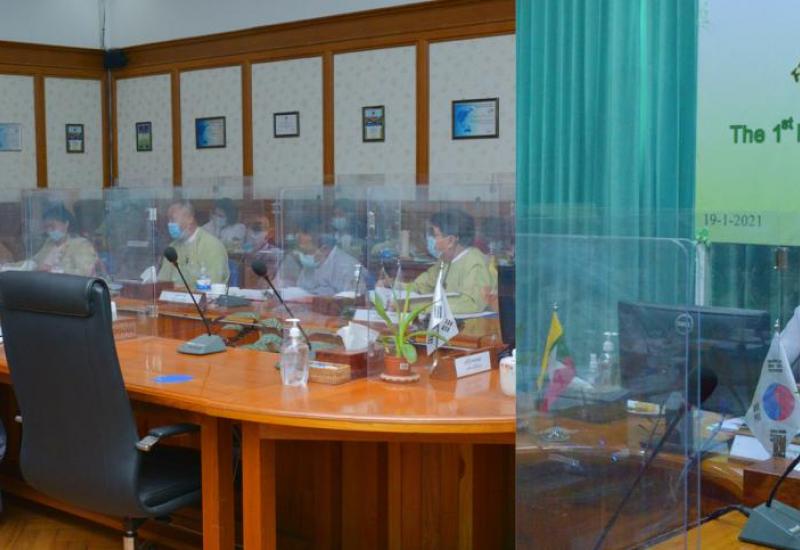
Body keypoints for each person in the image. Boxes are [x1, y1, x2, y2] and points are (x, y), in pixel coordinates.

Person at [411, 209, 494, 315]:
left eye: (435, 235)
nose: (431, 240)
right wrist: (395, 290)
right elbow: (423, 285)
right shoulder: (445, 260)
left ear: (451, 240)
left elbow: (470, 304)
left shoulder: (475, 263)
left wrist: (416, 307)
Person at [158, 200, 230, 287]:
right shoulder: (172, 247)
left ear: (190, 219)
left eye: (173, 220)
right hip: (172, 295)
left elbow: (212, 285)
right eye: (168, 220)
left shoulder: (212, 246)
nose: (169, 224)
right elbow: (162, 281)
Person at [21, 204, 99, 277]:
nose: (49, 230)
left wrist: (55, 270)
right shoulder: (49, 243)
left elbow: (85, 272)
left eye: (52, 226)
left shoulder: (81, 245)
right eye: (46, 227)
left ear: (66, 224)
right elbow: (33, 262)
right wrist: (15, 266)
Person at [294, 230, 361, 296]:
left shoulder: (347, 267)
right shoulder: (310, 267)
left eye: (307, 253)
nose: (304, 257)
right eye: (303, 253)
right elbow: (301, 290)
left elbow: (355, 298)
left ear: (324, 249)